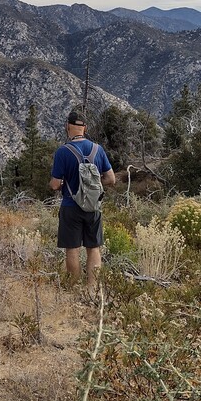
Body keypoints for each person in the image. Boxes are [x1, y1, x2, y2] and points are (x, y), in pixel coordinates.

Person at [49, 110, 115, 289]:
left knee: (72, 248)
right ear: (84, 128)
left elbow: (55, 185)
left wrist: (64, 183)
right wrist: (94, 185)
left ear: (68, 127)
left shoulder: (63, 152)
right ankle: (92, 289)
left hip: (71, 206)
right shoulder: (97, 149)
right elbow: (111, 179)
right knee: (93, 248)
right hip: (93, 207)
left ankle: (73, 287)